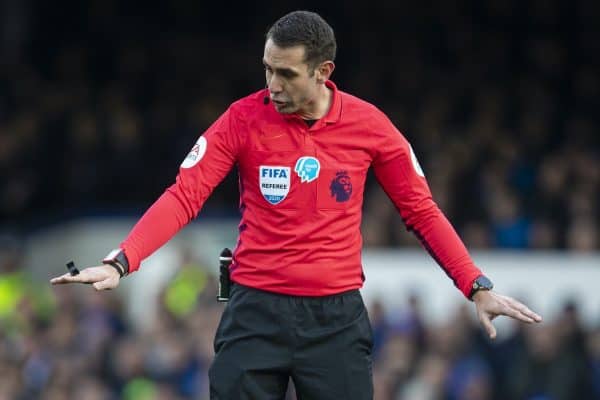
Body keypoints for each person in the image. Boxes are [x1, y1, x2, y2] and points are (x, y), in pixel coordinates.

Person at [51, 10, 542, 399]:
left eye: (286, 74)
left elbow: (421, 210)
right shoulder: (242, 119)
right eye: (267, 69)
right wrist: (123, 260)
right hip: (254, 312)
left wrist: (474, 284)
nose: (273, 86)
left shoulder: (371, 127)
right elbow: (184, 194)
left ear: (323, 72)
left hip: (335, 321)